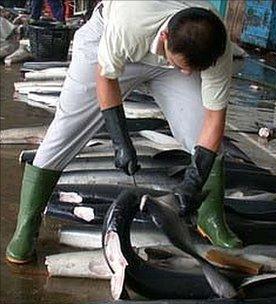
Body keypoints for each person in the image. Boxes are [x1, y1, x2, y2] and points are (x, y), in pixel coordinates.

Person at [6, 0, 242, 265]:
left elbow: (213, 119)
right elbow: (105, 77)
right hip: (108, 40)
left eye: (193, 70)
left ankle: (210, 217)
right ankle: (27, 224)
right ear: (164, 37)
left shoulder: (215, 45)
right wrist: (120, 141)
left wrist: (194, 181)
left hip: (173, 56)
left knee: (201, 132)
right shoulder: (128, 23)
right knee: (65, 131)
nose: (188, 74)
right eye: (184, 67)